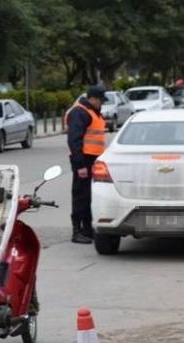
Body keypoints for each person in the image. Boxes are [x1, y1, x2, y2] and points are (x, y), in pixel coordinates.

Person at [66, 86, 107, 244]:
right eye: (101, 101)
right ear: (93, 99)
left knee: (90, 195)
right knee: (81, 196)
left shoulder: (92, 111)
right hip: (83, 160)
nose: (102, 104)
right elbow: (74, 140)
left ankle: (87, 229)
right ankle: (77, 231)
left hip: (93, 159)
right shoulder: (79, 112)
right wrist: (80, 165)